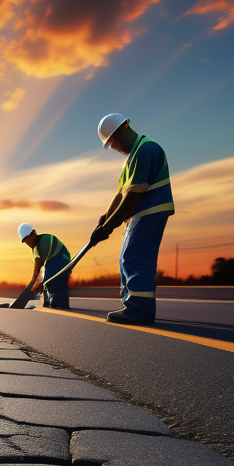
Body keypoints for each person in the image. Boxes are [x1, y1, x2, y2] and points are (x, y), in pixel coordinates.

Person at [90, 113, 174, 324]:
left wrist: (108, 227)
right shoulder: (131, 158)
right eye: (110, 144)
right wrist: (104, 219)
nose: (115, 147)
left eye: (113, 141)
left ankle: (140, 308)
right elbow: (119, 194)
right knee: (126, 257)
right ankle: (131, 303)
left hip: (150, 209)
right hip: (138, 214)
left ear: (124, 128)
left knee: (135, 256)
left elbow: (133, 197)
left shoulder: (146, 149)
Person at [18, 224, 72, 308]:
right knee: (49, 286)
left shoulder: (44, 241)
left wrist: (39, 283)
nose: (27, 243)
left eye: (26, 240)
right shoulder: (35, 248)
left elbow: (42, 267)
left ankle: (60, 307)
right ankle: (53, 305)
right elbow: (37, 268)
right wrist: (32, 284)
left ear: (32, 234)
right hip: (55, 263)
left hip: (60, 261)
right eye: (25, 241)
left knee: (53, 284)